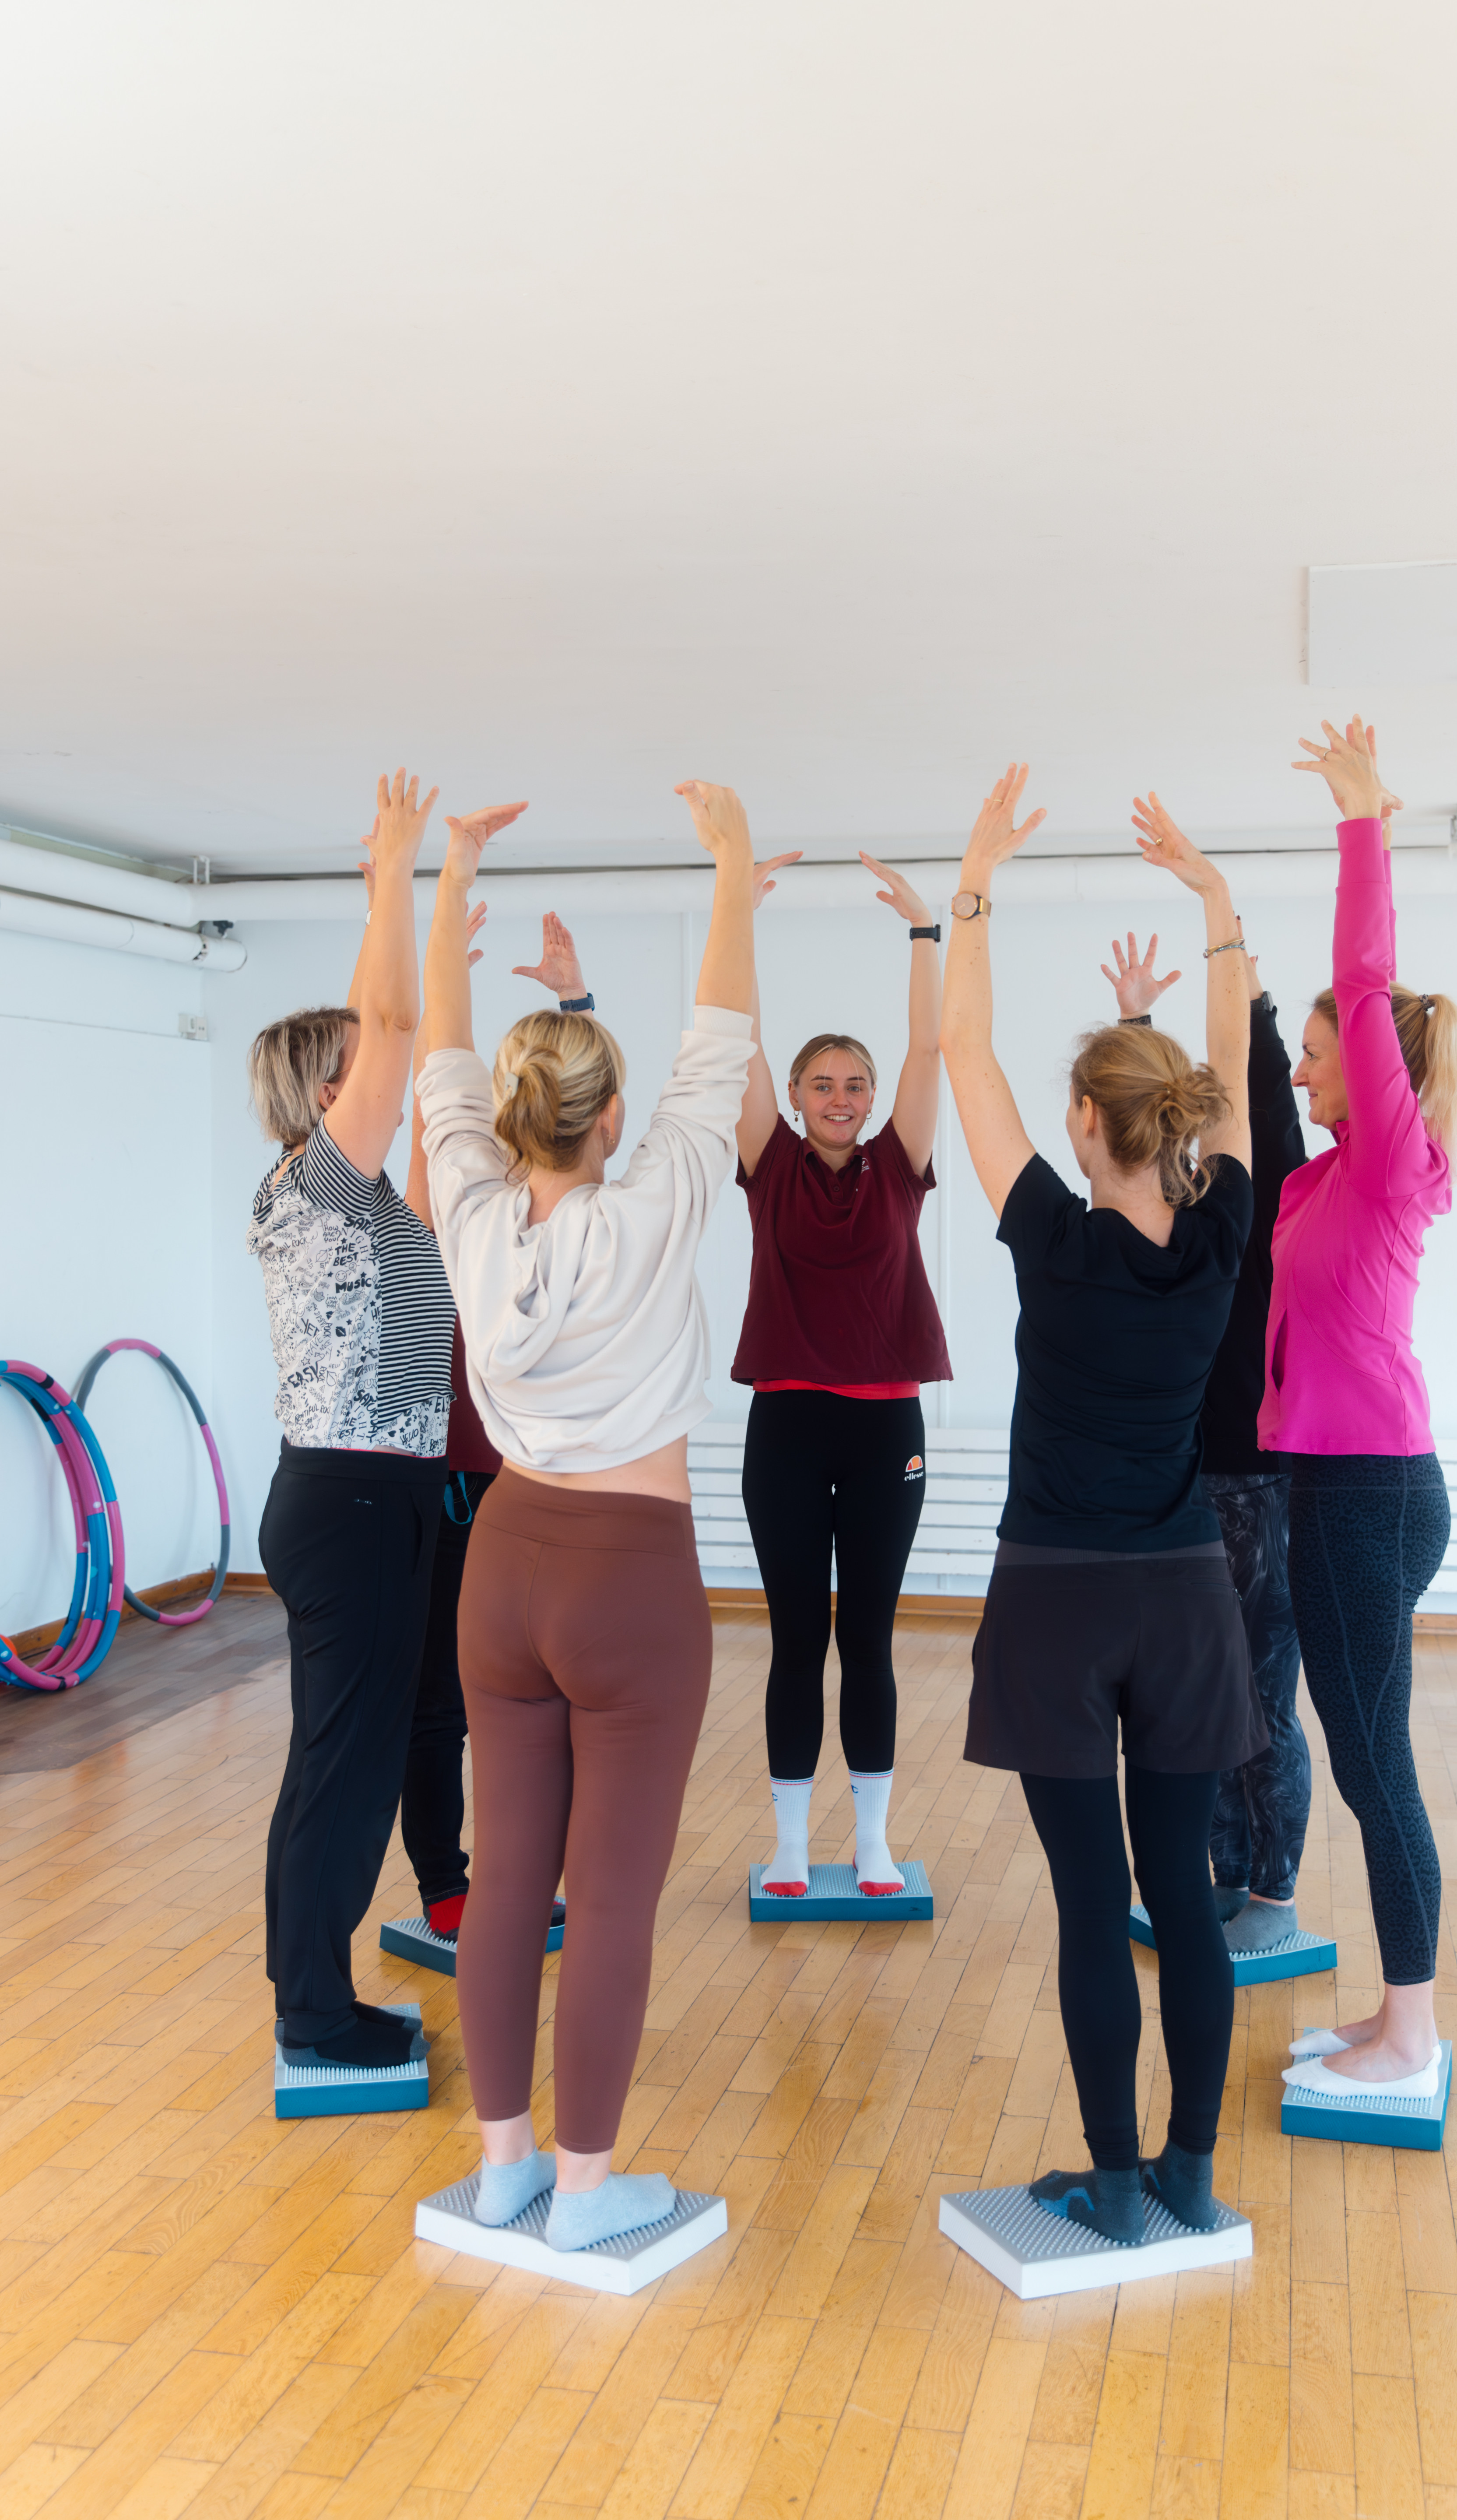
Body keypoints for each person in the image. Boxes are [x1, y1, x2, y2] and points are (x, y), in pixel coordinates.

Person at [417, 779, 756, 2249]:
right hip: (630, 1581)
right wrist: (733, 866)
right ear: (611, 1118)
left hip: (503, 1565)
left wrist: (451, 876)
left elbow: (440, 1064)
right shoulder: (658, 1201)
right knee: (609, 1898)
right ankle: (586, 2189)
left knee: (505, 1880)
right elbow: (718, 1045)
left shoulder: (470, 1207)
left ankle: (504, 2164)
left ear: (508, 1120)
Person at [941, 763, 1265, 2246]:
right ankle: (1191, 2170)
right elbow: (1232, 1070)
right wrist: (1213, 898)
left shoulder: (1051, 1238)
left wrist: (975, 879)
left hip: (1056, 1600)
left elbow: (961, 1048)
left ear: (1082, 1121)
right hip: (1185, 1595)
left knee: (1091, 1905)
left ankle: (1119, 2186)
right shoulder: (1221, 1232)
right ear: (1172, 1123)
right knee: (1181, 1895)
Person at [246, 771, 511, 2073]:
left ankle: (311, 1991)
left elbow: (423, 1066)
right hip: (352, 1501)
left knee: (338, 1760)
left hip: (371, 1497)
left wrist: (439, 912)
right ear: (326, 1088)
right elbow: (393, 1022)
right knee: (343, 1773)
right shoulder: (316, 1183)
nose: (384, 1074)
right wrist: (405, 867)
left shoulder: (358, 1204)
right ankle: (314, 2010)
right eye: (361, 1068)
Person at [1268, 718, 1457, 2099]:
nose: (1302, 1071)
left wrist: (1363, 825)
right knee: (1363, 1758)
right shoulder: (1326, 1177)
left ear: (1368, 1058)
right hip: (1327, 1483)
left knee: (1377, 1765)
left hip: (1369, 1489)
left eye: (1316, 1052)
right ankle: (1392, 2015)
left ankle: (1410, 2038)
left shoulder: (1394, 1161)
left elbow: (1363, 975)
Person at [732, 847, 951, 1896]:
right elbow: (740, 1036)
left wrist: (925, 932)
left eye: (855, 1083)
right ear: (792, 1095)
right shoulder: (769, 1163)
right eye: (821, 1082)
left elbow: (929, 1047)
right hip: (786, 1425)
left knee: (866, 1634)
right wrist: (736, 911)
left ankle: (870, 1842)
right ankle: (786, 1844)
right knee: (792, 1638)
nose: (840, 1095)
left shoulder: (900, 1164)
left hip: (883, 1430)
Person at [1102, 917, 1312, 1954]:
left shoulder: (1258, 1199)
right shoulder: (1170, 1204)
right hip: (1184, 1482)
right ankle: (1225, 1878)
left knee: (1262, 1693)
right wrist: (1138, 1020)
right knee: (1194, 1700)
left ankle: (1273, 1893)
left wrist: (1258, 1006)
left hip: (1261, 1476)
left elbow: (1260, 1096)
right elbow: (1132, 1123)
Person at [396, 910, 581, 1946]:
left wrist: (574, 1002)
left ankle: (515, 1873)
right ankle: (446, 1882)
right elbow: (439, 1092)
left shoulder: (563, 1201)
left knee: (529, 1699)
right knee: (440, 1698)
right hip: (449, 1481)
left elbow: (594, 1104)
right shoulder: (455, 1188)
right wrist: (438, 988)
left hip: (536, 1485)